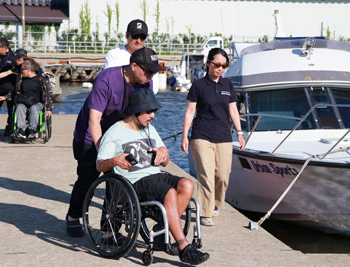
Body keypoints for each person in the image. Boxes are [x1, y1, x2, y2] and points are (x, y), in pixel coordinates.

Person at [97, 87, 210, 265]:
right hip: (134, 182)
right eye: (149, 112)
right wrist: (114, 160)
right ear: (135, 111)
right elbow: (99, 165)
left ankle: (163, 229)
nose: (153, 116)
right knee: (169, 193)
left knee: (187, 184)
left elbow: (164, 162)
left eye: (154, 111)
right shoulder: (114, 133)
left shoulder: (149, 129)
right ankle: (183, 246)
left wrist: (163, 152)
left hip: (156, 175)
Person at [66, 47, 163, 238]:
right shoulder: (107, 79)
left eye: (154, 72)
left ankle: (108, 231)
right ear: (133, 66)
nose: (151, 76)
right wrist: (104, 154)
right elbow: (94, 119)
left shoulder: (146, 85)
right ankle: (72, 217)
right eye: (148, 71)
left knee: (119, 181)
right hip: (90, 135)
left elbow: (143, 117)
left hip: (120, 134)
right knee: (87, 179)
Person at [181, 48, 246, 226]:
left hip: (224, 136)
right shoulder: (199, 85)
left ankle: (216, 204)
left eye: (224, 66)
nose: (220, 69)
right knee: (206, 176)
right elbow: (190, 111)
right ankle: (205, 213)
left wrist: (240, 133)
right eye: (217, 64)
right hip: (202, 135)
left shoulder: (228, 85)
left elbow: (233, 110)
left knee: (223, 176)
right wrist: (185, 136)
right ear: (208, 63)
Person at [0, 57, 53, 139]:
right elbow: (15, 92)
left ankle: (32, 129)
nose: (21, 72)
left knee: (34, 108)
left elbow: (48, 94)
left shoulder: (41, 79)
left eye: (22, 70)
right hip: (23, 102)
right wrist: (5, 97)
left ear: (28, 70)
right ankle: (22, 129)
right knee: (19, 107)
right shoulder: (21, 79)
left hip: (37, 103)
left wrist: (49, 109)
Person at [105, 19, 159, 94]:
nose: (138, 41)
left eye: (142, 37)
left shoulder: (150, 55)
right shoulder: (113, 55)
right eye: (135, 36)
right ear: (127, 35)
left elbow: (154, 88)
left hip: (143, 100)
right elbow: (110, 82)